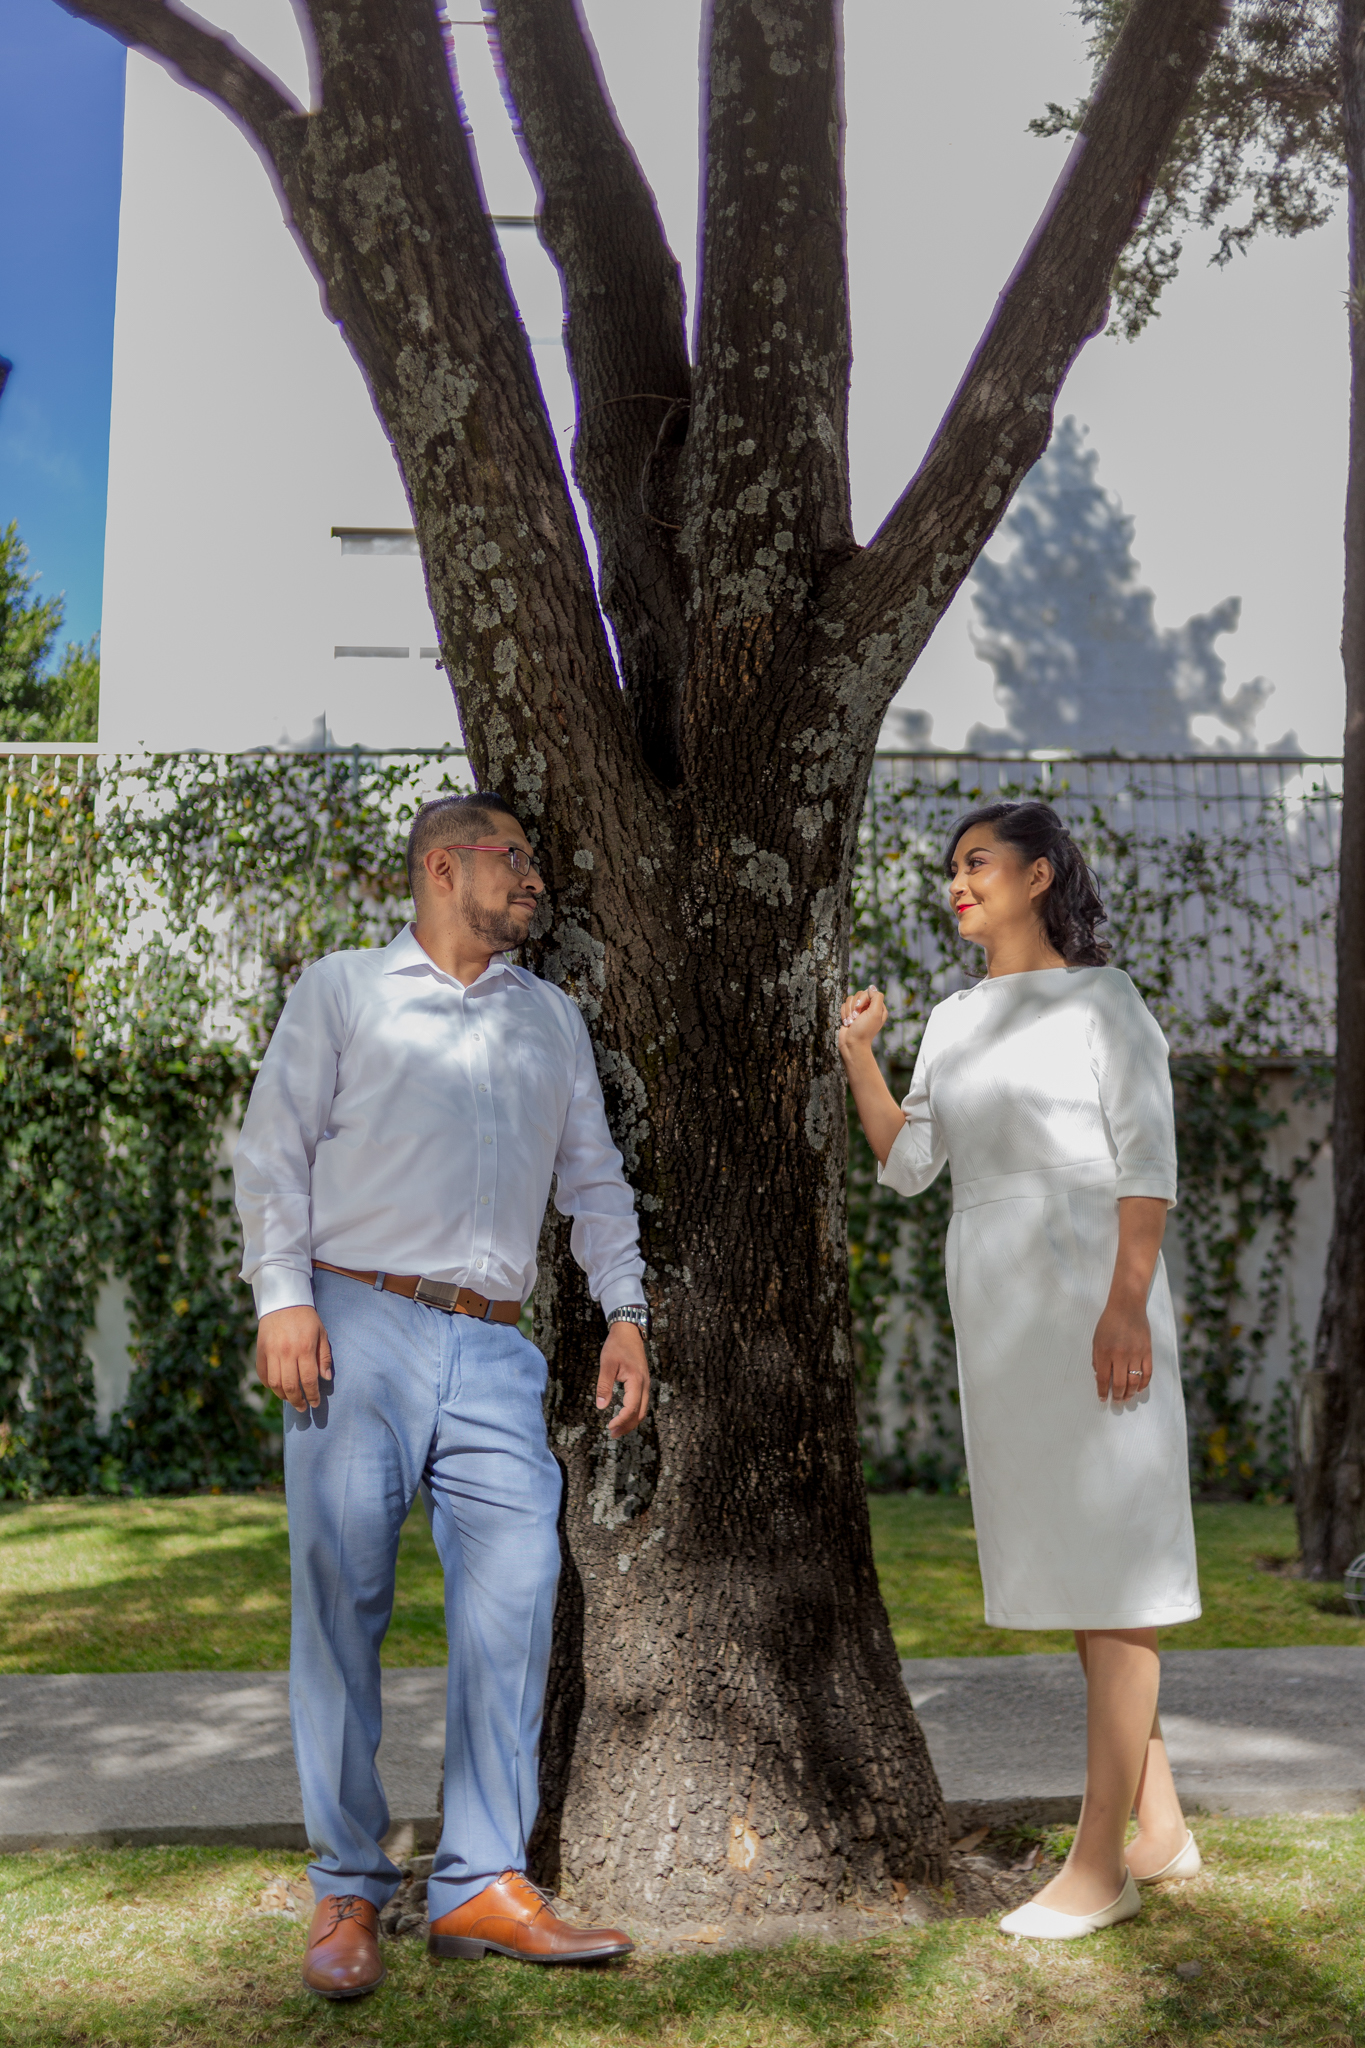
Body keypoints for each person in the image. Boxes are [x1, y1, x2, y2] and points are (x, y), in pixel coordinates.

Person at [234, 790, 651, 1998]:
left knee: (516, 1599)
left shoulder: (549, 1021)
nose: (533, 877)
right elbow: (273, 1149)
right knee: (342, 1606)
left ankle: (478, 1880)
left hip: (493, 1346)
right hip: (350, 1319)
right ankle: (347, 1887)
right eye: (513, 857)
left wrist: (626, 1310)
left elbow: (595, 1181)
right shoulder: (344, 990)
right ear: (442, 866)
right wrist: (281, 1296)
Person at [839, 800, 1201, 1942]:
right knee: (1082, 1572)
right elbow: (907, 1162)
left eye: (978, 862)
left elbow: (1147, 1163)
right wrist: (861, 1053)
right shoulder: (951, 1017)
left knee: (1118, 1574)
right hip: (1002, 1314)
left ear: (1040, 875)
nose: (958, 881)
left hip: (1097, 1295)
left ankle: (1105, 1864)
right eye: (951, 867)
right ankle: (1167, 1825)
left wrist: (1126, 1304)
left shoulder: (1107, 1000)